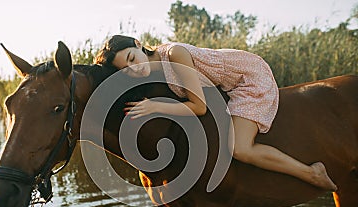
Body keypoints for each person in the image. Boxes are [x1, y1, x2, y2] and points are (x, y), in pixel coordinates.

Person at [94, 34, 337, 191]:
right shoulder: (154, 70)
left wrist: (155, 106)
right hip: (229, 85)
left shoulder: (174, 55)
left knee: (240, 148)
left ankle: (311, 173)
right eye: (126, 70)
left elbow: (199, 107)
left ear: (138, 44)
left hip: (248, 78)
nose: (135, 68)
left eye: (131, 58)